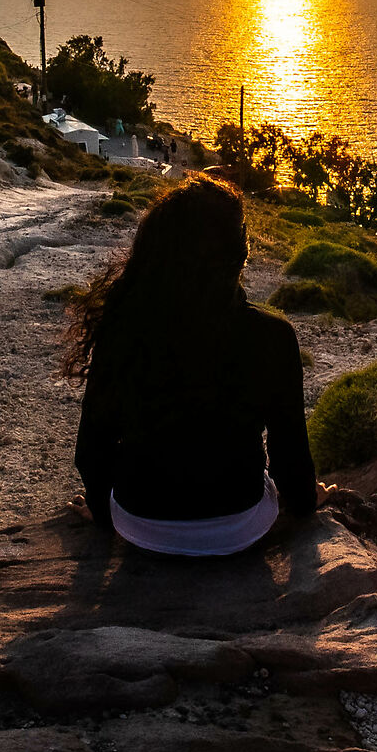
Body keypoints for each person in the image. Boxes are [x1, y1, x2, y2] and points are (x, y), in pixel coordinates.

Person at [65, 175, 316, 556]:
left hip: (140, 520)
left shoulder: (126, 327)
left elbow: (91, 449)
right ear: (240, 253)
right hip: (240, 523)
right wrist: (308, 503)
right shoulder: (272, 336)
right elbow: (289, 457)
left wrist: (103, 514)